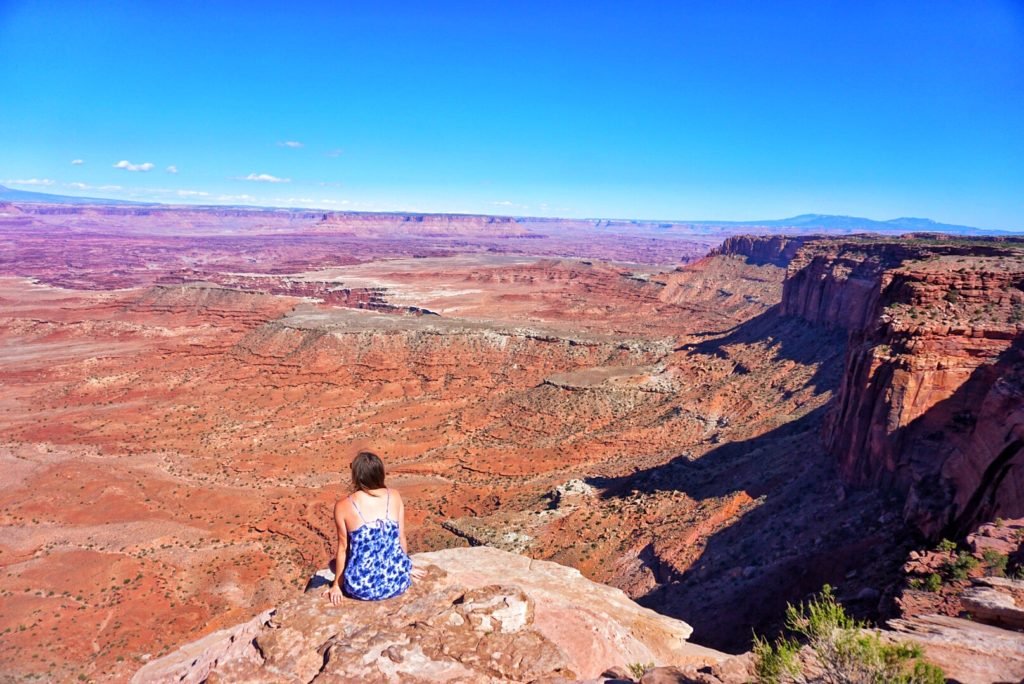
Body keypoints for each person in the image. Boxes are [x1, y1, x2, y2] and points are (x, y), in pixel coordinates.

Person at [324, 450, 415, 604]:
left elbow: (343, 548)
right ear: (380, 473)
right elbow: (401, 537)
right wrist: (404, 566)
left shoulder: (344, 506)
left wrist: (336, 586)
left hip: (361, 588)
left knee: (333, 564)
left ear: (356, 475)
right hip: (397, 583)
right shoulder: (394, 496)